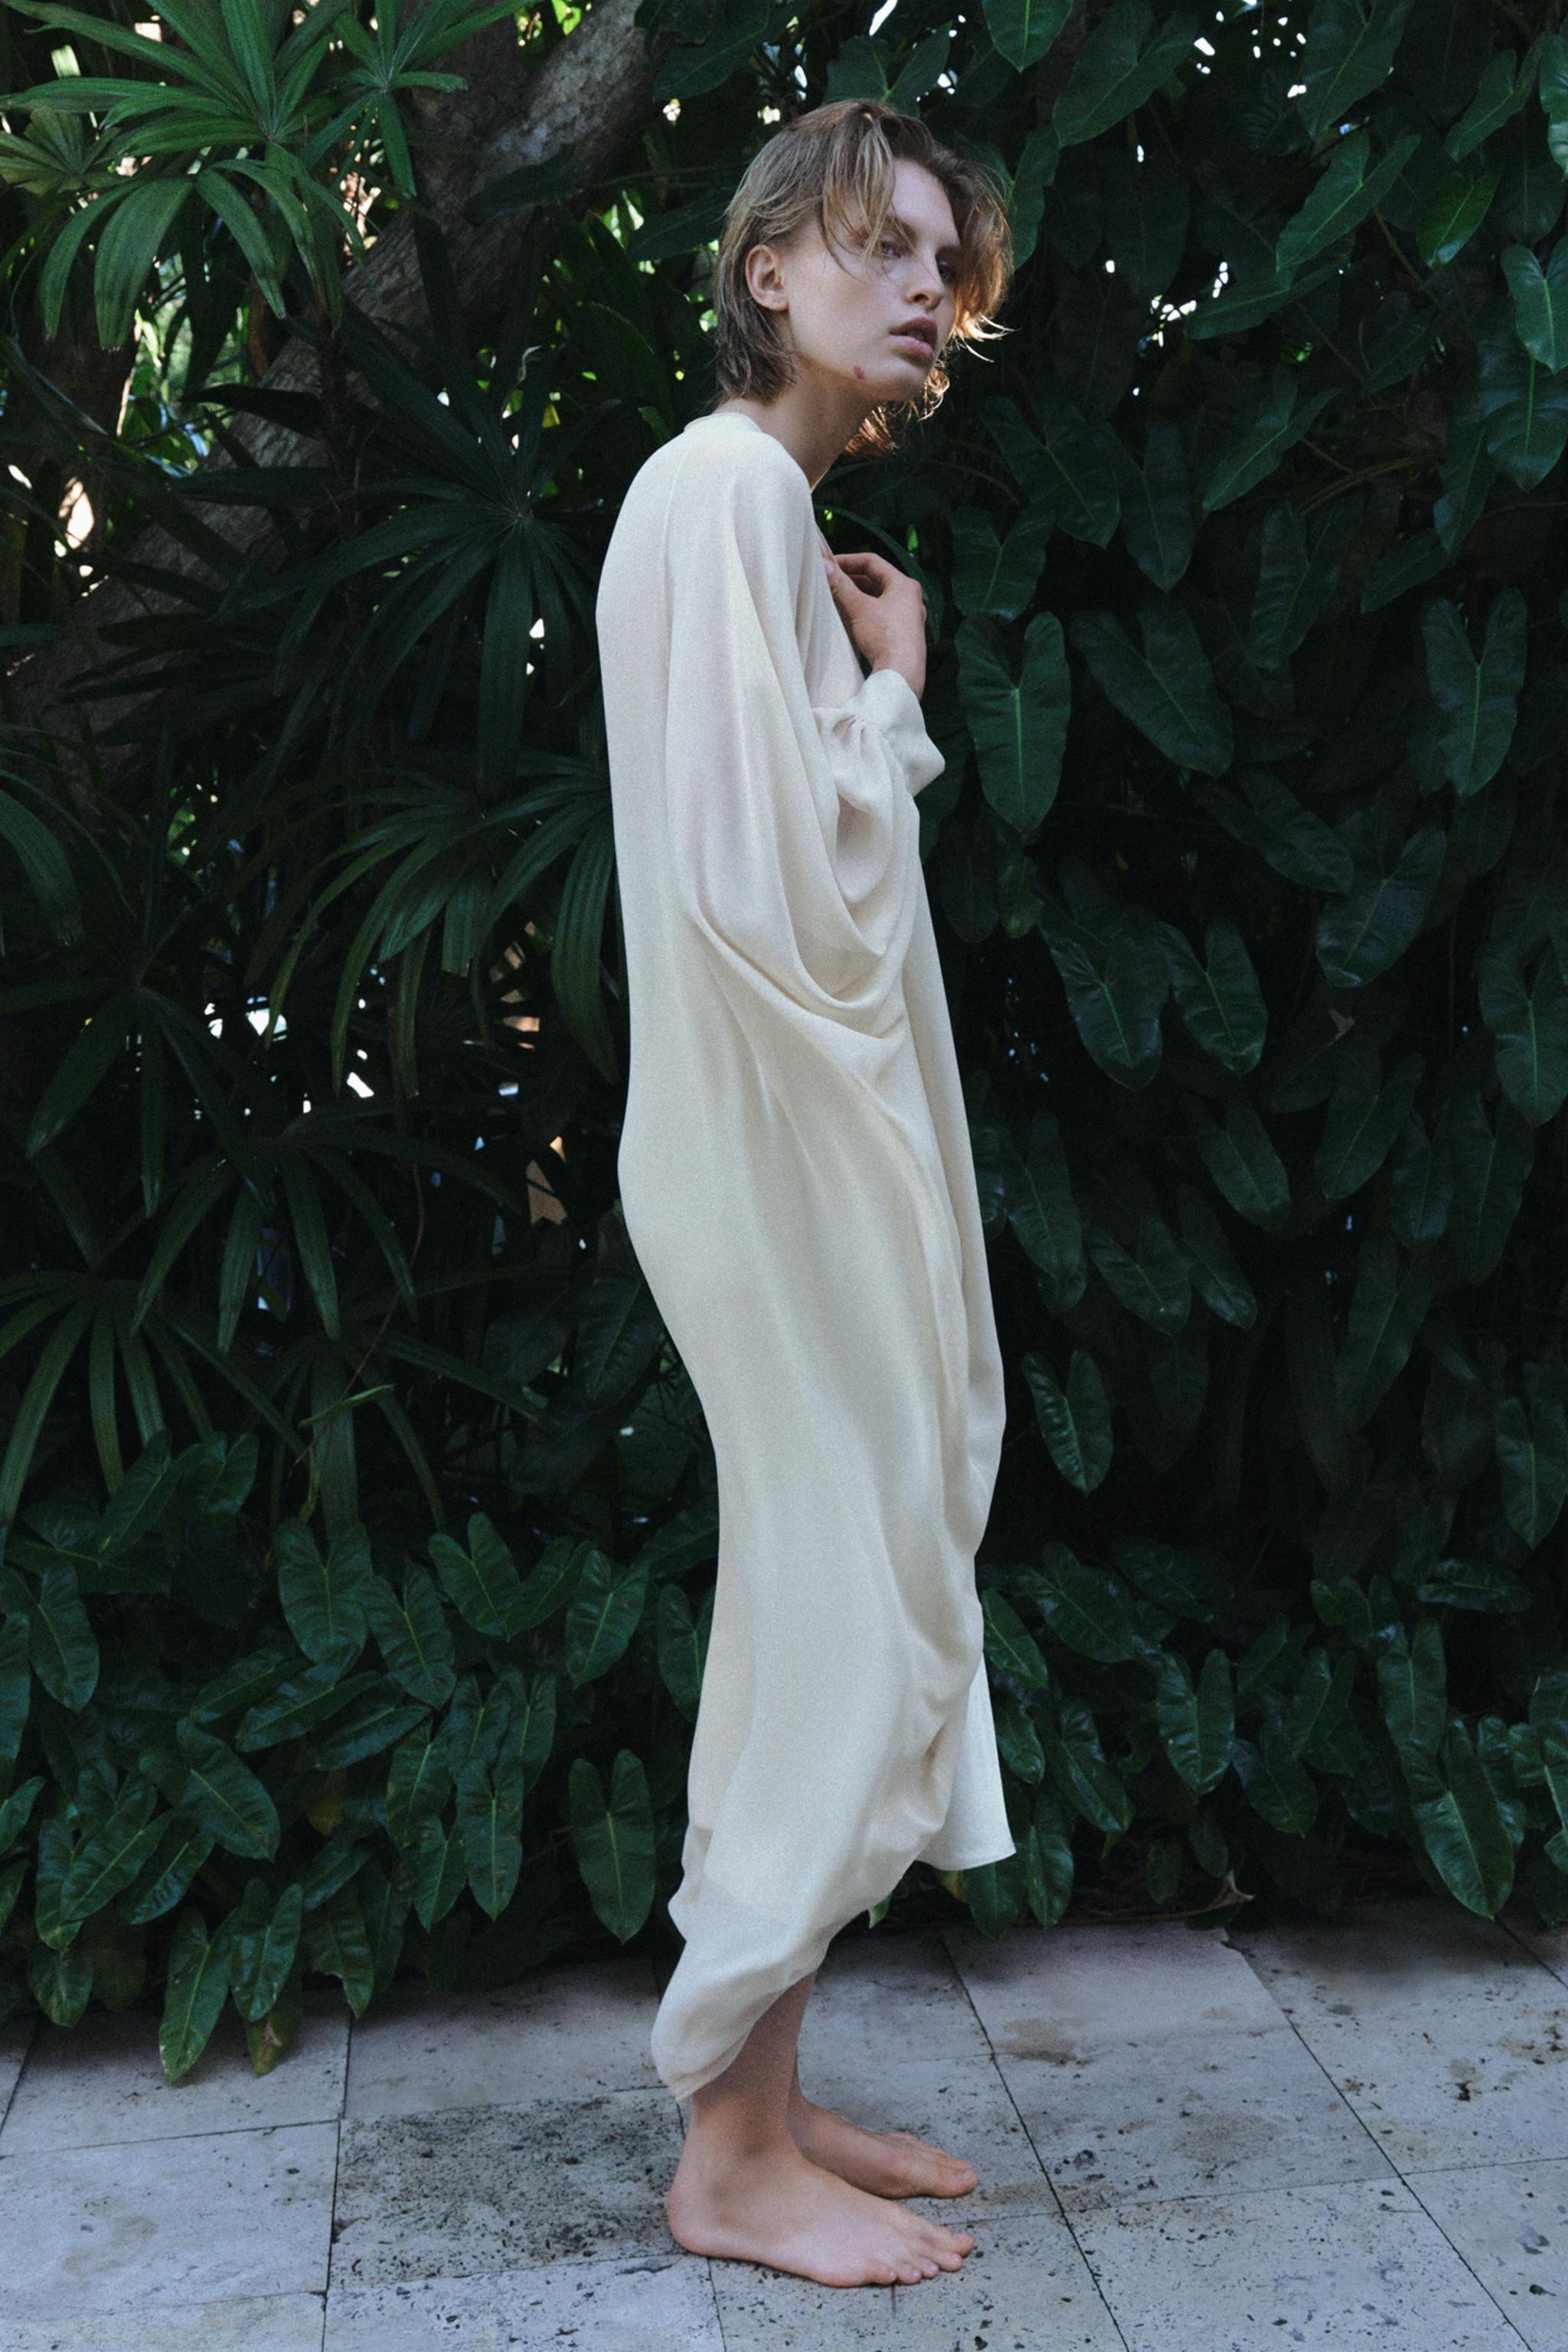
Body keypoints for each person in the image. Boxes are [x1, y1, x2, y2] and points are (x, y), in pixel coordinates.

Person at [593, 96, 1018, 2290]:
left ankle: (767, 2100)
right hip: (772, 1147)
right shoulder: (730, 488)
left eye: (945, 259)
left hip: (776, 1136)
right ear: (769, 270)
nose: (926, 286)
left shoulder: (751, 504)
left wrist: (866, 694)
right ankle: (729, 2158)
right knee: (834, 1597)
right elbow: (767, 900)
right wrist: (900, 701)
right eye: (882, 244)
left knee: (826, 1585)